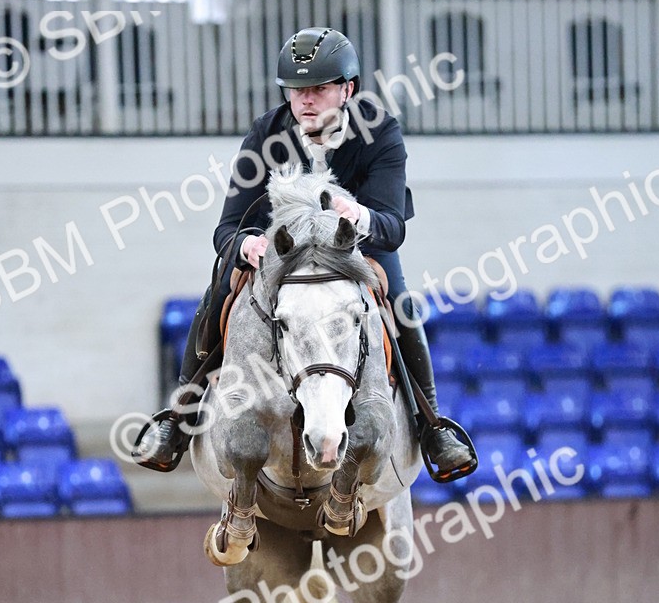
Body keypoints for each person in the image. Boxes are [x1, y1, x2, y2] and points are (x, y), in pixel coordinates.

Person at [135, 26, 475, 480]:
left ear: (347, 89)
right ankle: (177, 420)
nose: (306, 101)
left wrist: (359, 214)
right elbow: (227, 228)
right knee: (217, 293)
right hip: (283, 252)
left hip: (356, 248)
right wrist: (246, 244)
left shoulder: (380, 131)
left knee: (401, 304)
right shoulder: (266, 133)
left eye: (319, 89)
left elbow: (392, 228)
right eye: (297, 91)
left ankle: (431, 425)